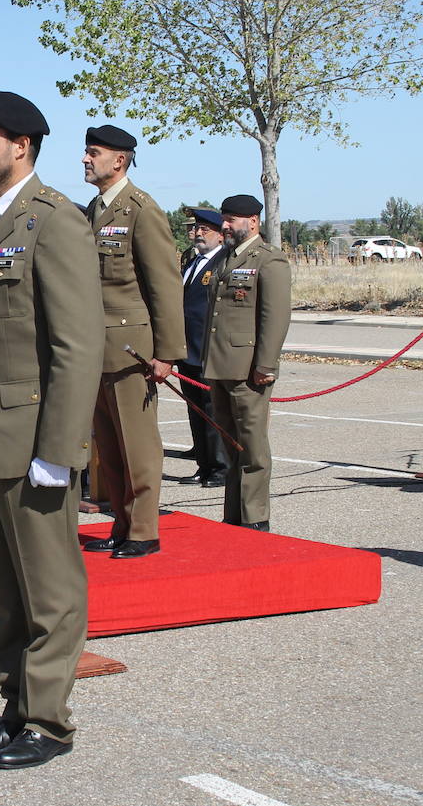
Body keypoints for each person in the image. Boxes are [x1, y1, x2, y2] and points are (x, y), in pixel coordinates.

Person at [0, 90, 103, 770]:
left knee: (49, 588)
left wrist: (59, 450)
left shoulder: (55, 221)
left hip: (34, 437)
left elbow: (77, 345)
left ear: (21, 147)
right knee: (7, 587)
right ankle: (15, 705)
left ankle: (49, 720)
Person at [77, 125, 185, 559]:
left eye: (93, 153)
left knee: (138, 446)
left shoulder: (141, 209)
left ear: (119, 160)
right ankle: (121, 524)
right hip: (96, 348)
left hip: (131, 351)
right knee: (109, 448)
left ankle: (144, 530)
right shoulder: (93, 210)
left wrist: (167, 353)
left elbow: (164, 285)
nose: (85, 159)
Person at [203, 194, 292, 532]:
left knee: (252, 447)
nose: (224, 226)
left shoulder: (269, 261)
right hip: (220, 365)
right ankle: (234, 515)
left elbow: (275, 317)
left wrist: (266, 365)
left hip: (249, 368)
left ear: (252, 221)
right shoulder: (225, 258)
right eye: (224, 219)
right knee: (231, 445)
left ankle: (255, 517)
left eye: (231, 220)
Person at [176, 208, 228, 487]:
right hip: (187, 350)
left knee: (212, 412)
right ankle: (204, 464)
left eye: (204, 229)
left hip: (207, 349)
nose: (197, 233)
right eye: (195, 229)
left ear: (220, 235)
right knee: (195, 411)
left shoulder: (223, 261)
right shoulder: (191, 262)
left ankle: (220, 468)